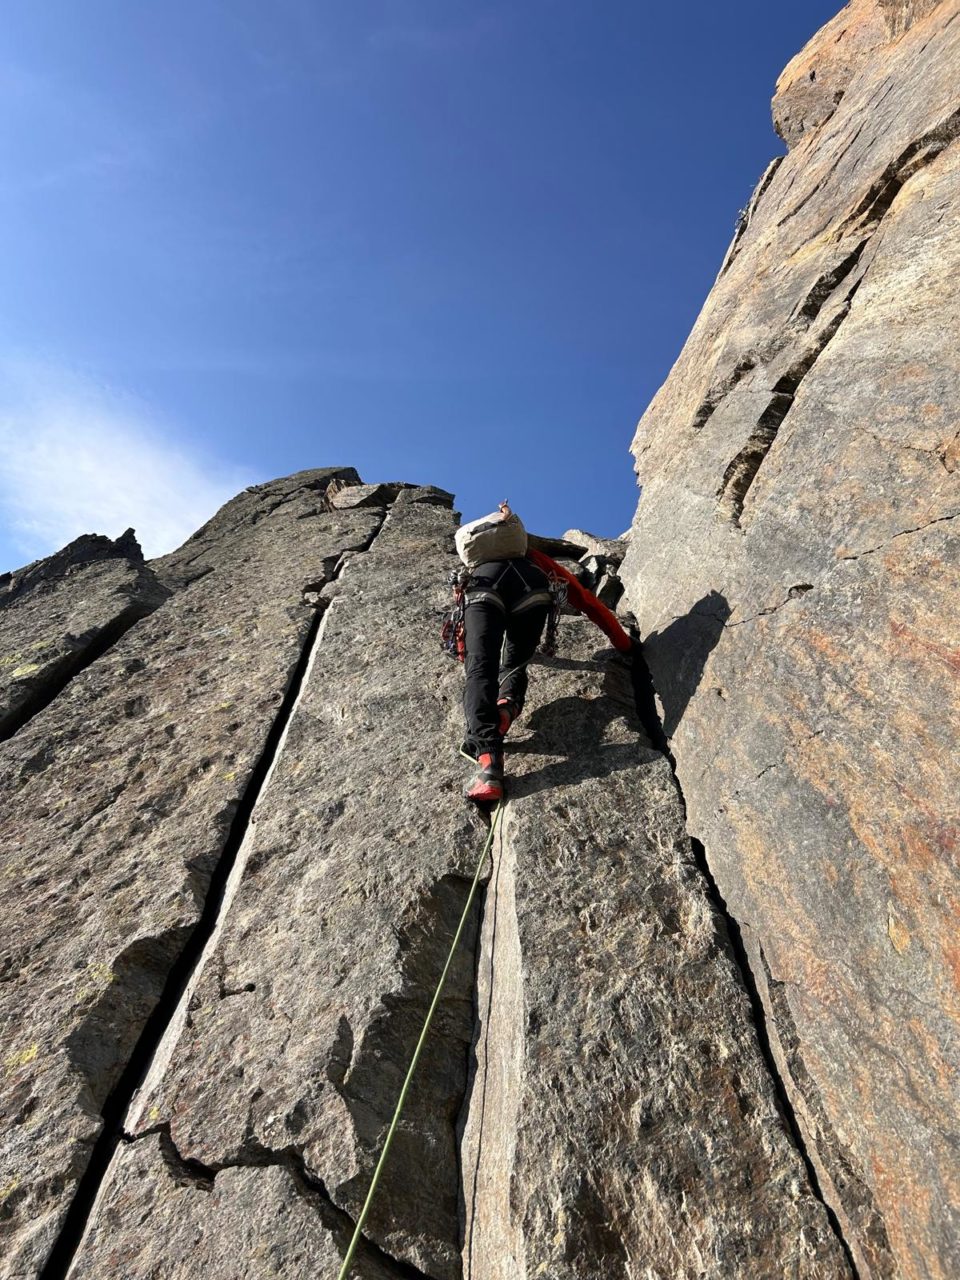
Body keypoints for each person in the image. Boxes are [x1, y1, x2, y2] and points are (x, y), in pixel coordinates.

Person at [455, 502, 632, 804]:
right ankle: (505, 709)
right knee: (514, 665)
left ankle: (488, 765)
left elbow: (463, 628)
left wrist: (465, 654)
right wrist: (624, 644)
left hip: (484, 588)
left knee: (481, 669)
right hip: (532, 590)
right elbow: (588, 601)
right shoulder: (536, 560)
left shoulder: (476, 567)